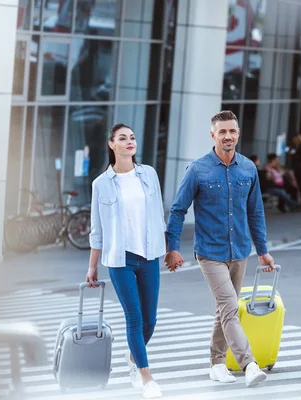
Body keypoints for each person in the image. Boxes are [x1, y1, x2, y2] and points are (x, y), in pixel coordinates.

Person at [164, 110, 276, 388]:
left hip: (240, 251)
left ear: (238, 134)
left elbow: (255, 212)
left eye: (233, 131)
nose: (228, 136)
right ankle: (248, 364)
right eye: (222, 131)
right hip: (210, 252)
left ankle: (216, 363)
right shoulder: (198, 169)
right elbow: (178, 210)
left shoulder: (248, 168)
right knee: (230, 307)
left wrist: (262, 250)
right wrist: (172, 247)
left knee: (223, 311)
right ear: (213, 135)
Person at [86, 123, 165, 399]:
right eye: (123, 138)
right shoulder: (101, 184)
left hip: (148, 254)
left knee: (150, 320)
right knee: (134, 317)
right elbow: (97, 229)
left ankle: (133, 357)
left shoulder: (149, 175)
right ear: (112, 144)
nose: (130, 141)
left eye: (132, 137)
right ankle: (146, 377)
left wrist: (168, 248)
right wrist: (93, 266)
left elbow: (158, 214)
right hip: (119, 259)